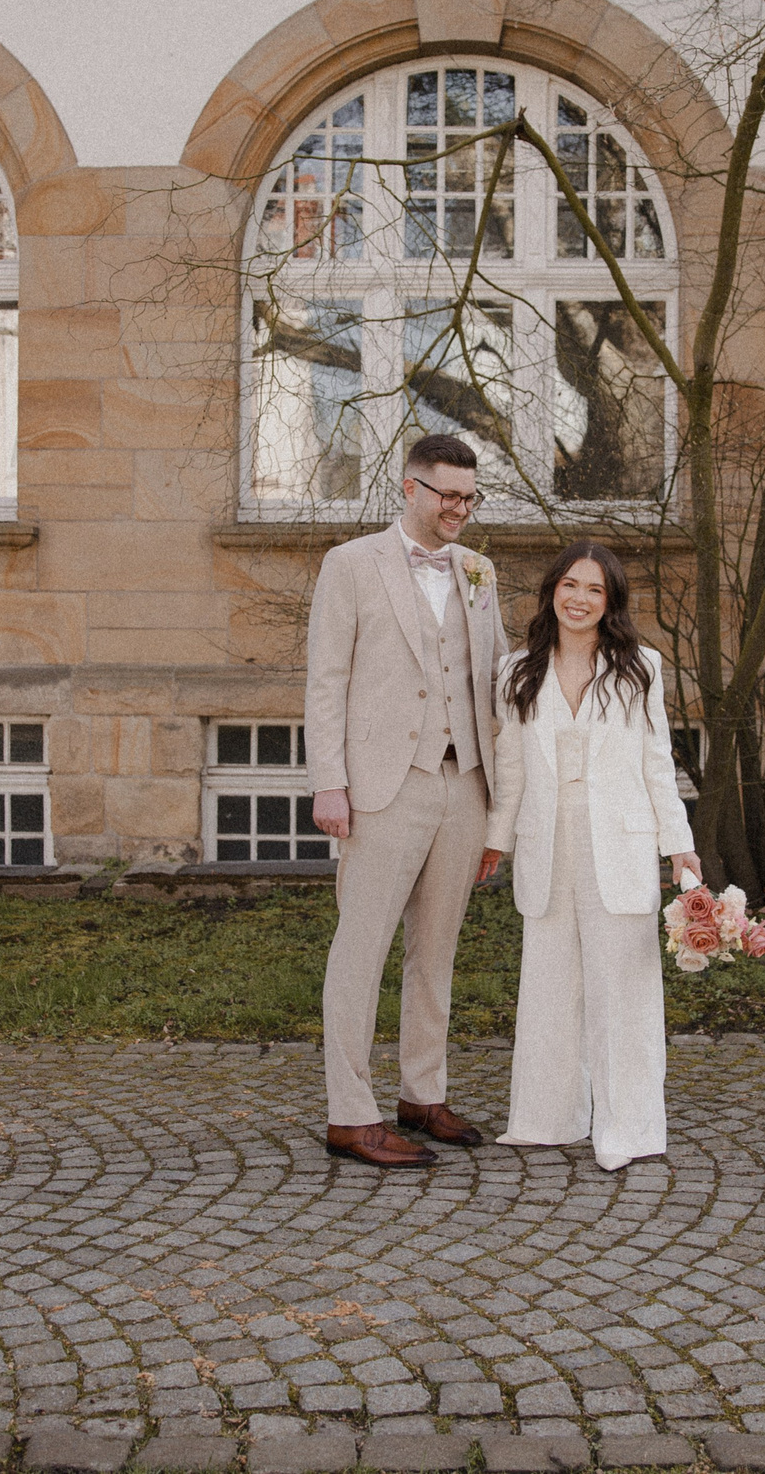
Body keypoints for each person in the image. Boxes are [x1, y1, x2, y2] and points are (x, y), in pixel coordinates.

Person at [304, 433, 508, 1167]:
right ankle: (350, 1115)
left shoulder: (479, 570)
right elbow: (327, 678)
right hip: (382, 786)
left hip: (465, 782)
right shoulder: (351, 564)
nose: (459, 509)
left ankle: (423, 1093)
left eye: (470, 497)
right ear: (410, 487)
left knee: (437, 949)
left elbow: (496, 675)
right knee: (361, 949)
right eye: (448, 494)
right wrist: (329, 781)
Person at [482, 541, 697, 1172]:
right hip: (548, 844)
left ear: (611, 602)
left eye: (595, 590)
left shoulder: (640, 667)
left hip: (621, 845)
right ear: (553, 590)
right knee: (548, 988)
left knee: (624, 994)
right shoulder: (516, 671)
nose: (579, 599)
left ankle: (628, 1129)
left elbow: (657, 762)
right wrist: (496, 837)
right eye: (570, 585)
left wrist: (679, 846)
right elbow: (511, 765)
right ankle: (546, 1118)